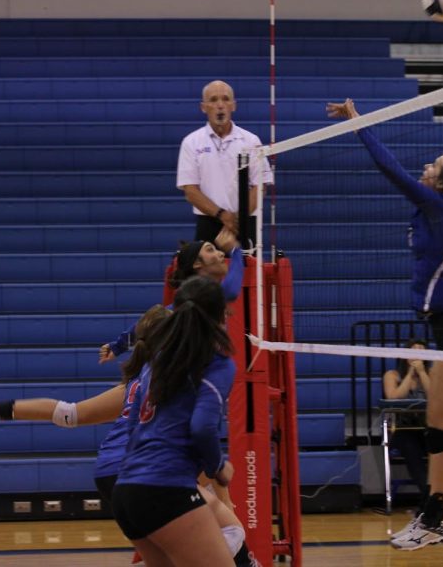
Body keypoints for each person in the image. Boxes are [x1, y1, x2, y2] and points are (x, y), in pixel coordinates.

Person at [0, 304, 256, 567]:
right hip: (149, 473)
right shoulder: (185, 380)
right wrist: (221, 495)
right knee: (232, 533)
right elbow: (197, 439)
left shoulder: (138, 383)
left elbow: (69, 414)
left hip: (112, 476)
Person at [328, 98, 443, 551]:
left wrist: (359, 122)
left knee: (440, 431)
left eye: (435, 164)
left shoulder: (441, 207)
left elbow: (391, 170)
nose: (427, 165)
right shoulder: (438, 212)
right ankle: (434, 517)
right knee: (437, 430)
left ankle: (433, 520)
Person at [111, 276, 236, 567]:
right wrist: (218, 467)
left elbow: (132, 427)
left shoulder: (158, 359)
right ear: (221, 316)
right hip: (165, 489)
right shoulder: (216, 363)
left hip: (126, 491)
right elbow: (202, 426)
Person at [98, 227, 242, 364]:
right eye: (211, 250)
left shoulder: (191, 299)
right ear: (197, 263)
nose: (221, 253)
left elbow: (148, 324)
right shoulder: (200, 297)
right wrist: (235, 251)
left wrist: (119, 346)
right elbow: (230, 289)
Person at [177, 80, 273, 245]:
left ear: (233, 106)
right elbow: (190, 190)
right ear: (203, 107)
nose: (220, 105)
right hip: (208, 222)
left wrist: (236, 221)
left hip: (245, 222)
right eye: (213, 100)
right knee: (206, 271)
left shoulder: (250, 141)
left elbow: (261, 186)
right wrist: (222, 216)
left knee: (248, 270)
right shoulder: (191, 142)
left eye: (226, 99)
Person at [383, 339, 431, 501]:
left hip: (427, 427)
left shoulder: (432, 375)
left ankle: (435, 494)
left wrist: (422, 373)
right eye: (413, 350)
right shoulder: (393, 375)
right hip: (403, 429)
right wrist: (410, 373)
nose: (417, 354)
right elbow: (393, 397)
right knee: (411, 449)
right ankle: (428, 496)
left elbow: (434, 396)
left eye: (421, 350)